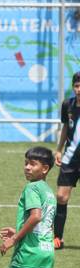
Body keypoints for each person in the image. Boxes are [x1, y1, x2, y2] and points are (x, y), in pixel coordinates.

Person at [53, 71, 80, 250]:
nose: (79, 89)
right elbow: (65, 128)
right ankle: (57, 237)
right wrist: (58, 149)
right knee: (61, 196)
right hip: (70, 158)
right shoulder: (67, 105)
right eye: (77, 86)